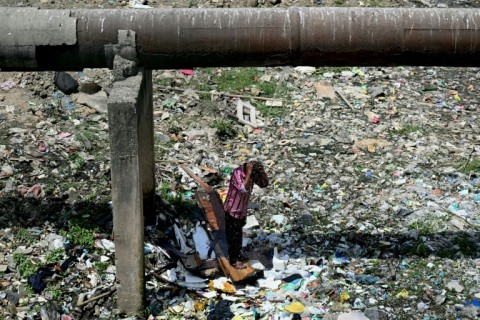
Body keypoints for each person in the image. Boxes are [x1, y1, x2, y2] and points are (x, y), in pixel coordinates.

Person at [223, 161, 269, 269]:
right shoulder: (237, 173)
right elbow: (243, 189)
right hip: (232, 210)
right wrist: (248, 174)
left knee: (238, 235)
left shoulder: (253, 174)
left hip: (242, 210)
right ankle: (233, 260)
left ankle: (237, 255)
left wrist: (262, 172)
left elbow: (264, 184)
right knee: (233, 237)